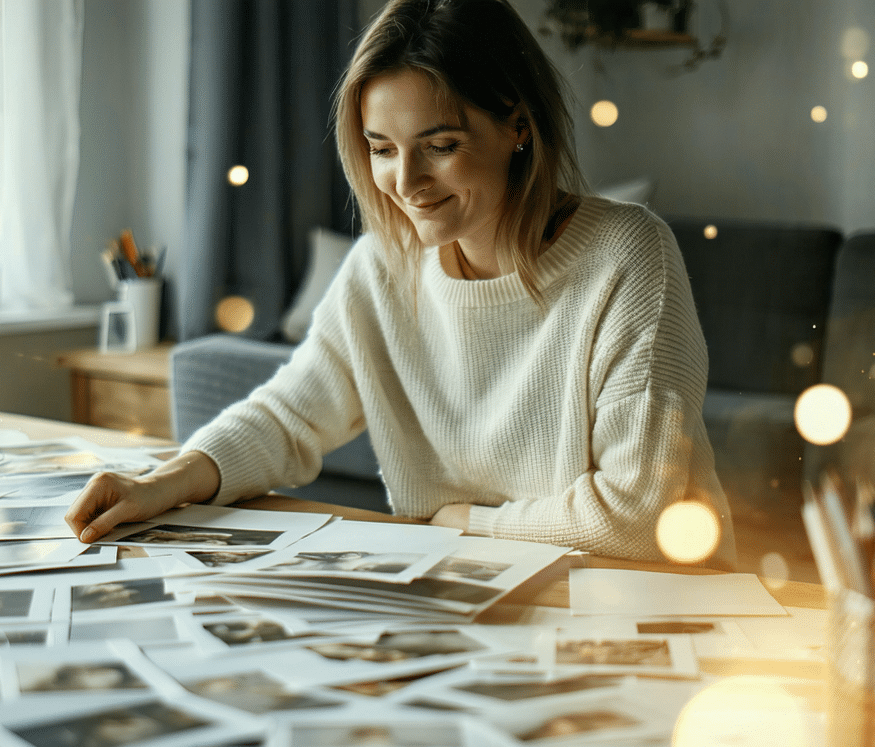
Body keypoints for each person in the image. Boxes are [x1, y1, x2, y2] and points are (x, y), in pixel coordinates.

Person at [66, 0, 735, 567]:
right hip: (458, 592)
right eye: (382, 148)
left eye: (440, 145)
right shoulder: (381, 268)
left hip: (639, 598)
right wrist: (164, 482)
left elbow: (637, 513)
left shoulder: (626, 254)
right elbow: (288, 415)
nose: (406, 183)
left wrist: (463, 525)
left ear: (518, 126)